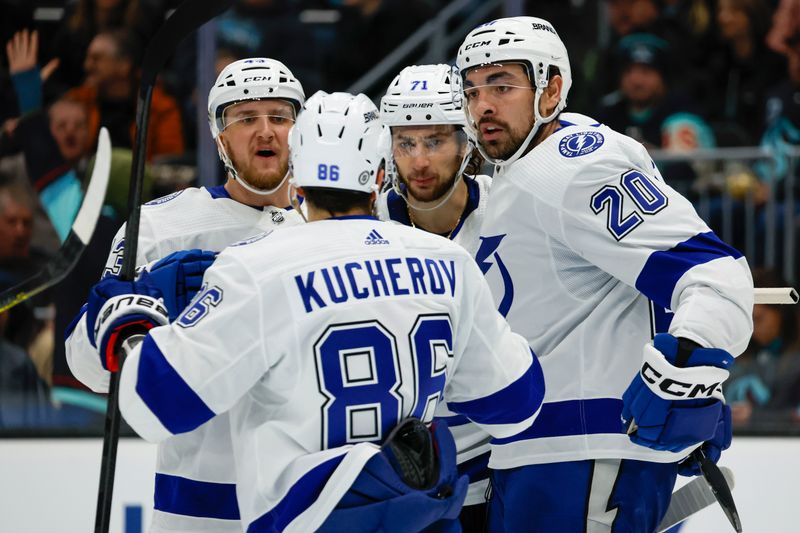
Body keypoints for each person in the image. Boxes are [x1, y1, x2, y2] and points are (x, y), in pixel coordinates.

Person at [86, 91, 546, 532]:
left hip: (305, 519)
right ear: (380, 176)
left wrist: (133, 319)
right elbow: (517, 403)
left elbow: (156, 405)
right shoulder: (448, 263)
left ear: (298, 177)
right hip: (416, 516)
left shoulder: (254, 266)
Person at [456, 16, 753, 532]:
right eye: (472, 89)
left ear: (551, 91)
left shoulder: (575, 165)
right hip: (533, 455)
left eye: (502, 85)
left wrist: (684, 370)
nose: (483, 105)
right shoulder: (512, 175)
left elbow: (713, 274)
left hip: (584, 452)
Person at [65, 57, 307, 532]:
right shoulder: (161, 226)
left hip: (312, 494)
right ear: (219, 135)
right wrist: (140, 310)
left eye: (279, 117)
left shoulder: (331, 226)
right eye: (245, 118)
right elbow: (85, 363)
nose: (265, 132)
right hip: (198, 502)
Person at [378, 63, 493, 529]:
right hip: (394, 472)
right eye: (405, 143)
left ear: (467, 143)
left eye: (435, 141)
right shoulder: (359, 223)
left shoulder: (517, 206)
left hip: (498, 466)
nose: (419, 162)